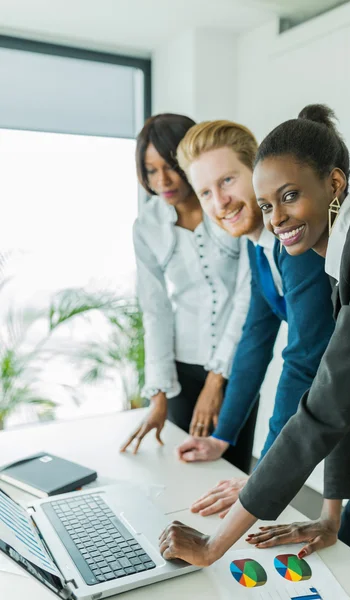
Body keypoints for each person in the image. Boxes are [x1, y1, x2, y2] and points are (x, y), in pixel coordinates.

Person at [159, 105, 350, 579]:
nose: (275, 218)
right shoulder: (342, 250)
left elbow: (326, 401)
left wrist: (214, 544)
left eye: (289, 197)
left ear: (333, 184)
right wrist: (328, 517)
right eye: (267, 204)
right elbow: (345, 392)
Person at [173, 119, 334, 517]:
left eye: (227, 181)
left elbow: (302, 358)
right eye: (205, 192)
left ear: (258, 173)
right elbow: (255, 339)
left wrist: (264, 469)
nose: (219, 203)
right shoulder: (259, 247)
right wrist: (223, 436)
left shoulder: (296, 241)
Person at [120, 113, 255, 473]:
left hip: (237, 362)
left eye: (169, 167)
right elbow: (155, 309)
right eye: (150, 171)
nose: (161, 180)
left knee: (232, 469)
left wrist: (217, 380)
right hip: (181, 366)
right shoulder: (146, 227)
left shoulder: (230, 208)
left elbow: (247, 294)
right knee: (186, 468)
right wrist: (159, 394)